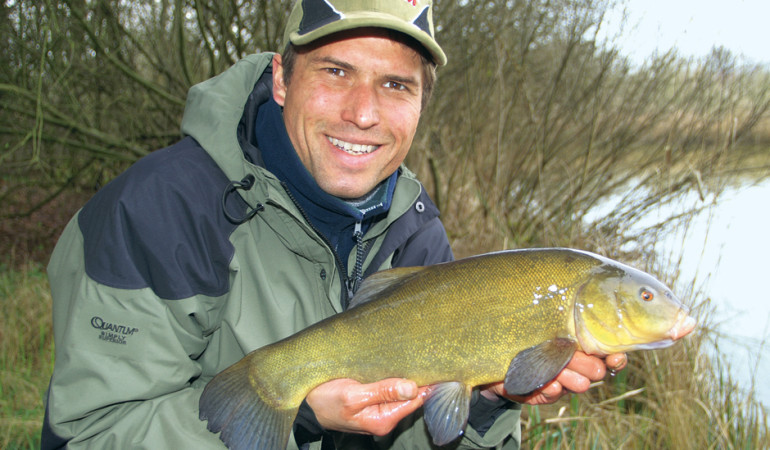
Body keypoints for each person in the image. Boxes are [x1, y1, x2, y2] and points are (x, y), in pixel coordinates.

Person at [41, 0, 627, 448]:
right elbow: (88, 434)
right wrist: (298, 416)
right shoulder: (158, 211)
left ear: (422, 103)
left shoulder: (413, 232)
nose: (364, 114)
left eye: (396, 84)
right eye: (336, 71)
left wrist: (484, 399)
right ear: (281, 78)